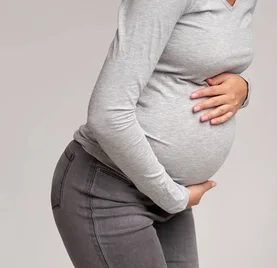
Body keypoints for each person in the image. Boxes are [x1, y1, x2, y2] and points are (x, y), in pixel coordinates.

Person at [49, 0, 257, 267]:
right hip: (108, 189)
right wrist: (174, 197)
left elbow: (206, 62)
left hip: (165, 193)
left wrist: (243, 90)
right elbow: (107, 114)